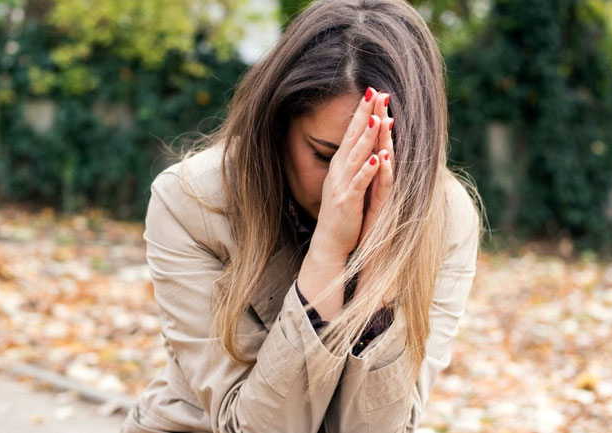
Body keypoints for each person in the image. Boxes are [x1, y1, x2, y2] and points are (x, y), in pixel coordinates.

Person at [120, 0, 483, 432]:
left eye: (379, 164)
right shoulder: (191, 202)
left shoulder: (445, 219)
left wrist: (380, 264)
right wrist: (329, 251)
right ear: (278, 124)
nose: (346, 188)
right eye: (326, 155)